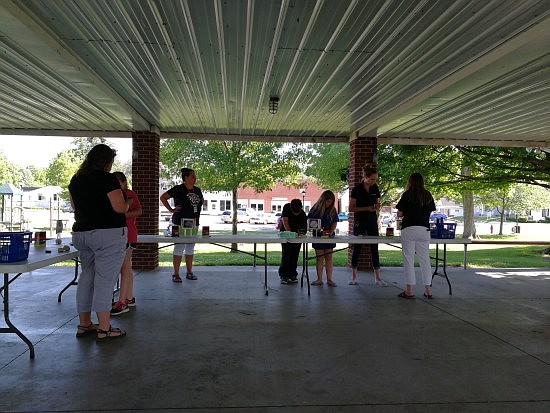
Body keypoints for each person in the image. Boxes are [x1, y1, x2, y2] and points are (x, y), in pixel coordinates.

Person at [68, 144, 130, 343]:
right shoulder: (107, 179)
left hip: (82, 234)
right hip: (108, 235)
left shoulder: (76, 179)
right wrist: (127, 202)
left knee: (87, 277)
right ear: (106, 162)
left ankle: (85, 324)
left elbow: (75, 207)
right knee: (105, 280)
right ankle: (104, 329)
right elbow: (120, 208)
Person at [395, 172, 436, 299]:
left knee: (409, 260)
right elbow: (430, 211)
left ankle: (409, 290)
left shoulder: (407, 195)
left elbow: (399, 214)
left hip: (409, 229)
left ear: (410, 182)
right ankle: (428, 290)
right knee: (425, 259)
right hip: (424, 229)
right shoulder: (427, 195)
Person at [160, 167, 204, 283]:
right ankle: (176, 274)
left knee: (190, 247)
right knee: (179, 246)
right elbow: (163, 197)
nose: (195, 178)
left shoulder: (197, 190)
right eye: (192, 176)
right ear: (186, 178)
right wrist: (171, 210)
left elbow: (201, 201)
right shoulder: (178, 189)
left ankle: (189, 272)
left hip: (194, 223)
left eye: (195, 176)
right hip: (179, 222)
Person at [110, 171, 142, 315]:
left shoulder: (129, 193)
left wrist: (121, 216)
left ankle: (122, 302)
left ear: (123, 182)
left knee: (125, 267)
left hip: (128, 234)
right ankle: (128, 297)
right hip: (118, 235)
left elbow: (139, 211)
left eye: (118, 183)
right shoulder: (113, 194)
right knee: (126, 267)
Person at [349, 167, 386, 286]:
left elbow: (377, 203)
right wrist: (366, 208)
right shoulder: (357, 189)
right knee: (357, 247)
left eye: (375, 179)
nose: (373, 181)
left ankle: (378, 278)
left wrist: (377, 206)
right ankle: (354, 277)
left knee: (374, 247)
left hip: (372, 220)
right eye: (371, 179)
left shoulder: (375, 188)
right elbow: (351, 208)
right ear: (365, 177)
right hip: (360, 220)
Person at [307, 190, 339, 287]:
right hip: (318, 237)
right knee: (319, 258)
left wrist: (331, 231)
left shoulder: (333, 210)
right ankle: (319, 279)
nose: (329, 203)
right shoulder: (315, 209)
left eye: (331, 202)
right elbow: (310, 221)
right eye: (327, 201)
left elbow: (335, 222)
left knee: (329, 257)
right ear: (323, 200)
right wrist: (317, 227)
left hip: (329, 237)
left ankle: (329, 279)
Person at [278, 199, 307, 284]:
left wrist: (301, 233)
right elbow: (285, 221)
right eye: (294, 212)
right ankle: (284, 275)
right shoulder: (287, 207)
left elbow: (304, 228)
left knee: (295, 255)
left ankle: (292, 274)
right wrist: (290, 234)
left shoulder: (302, 214)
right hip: (286, 235)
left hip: (297, 237)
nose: (296, 214)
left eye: (297, 212)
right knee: (286, 254)